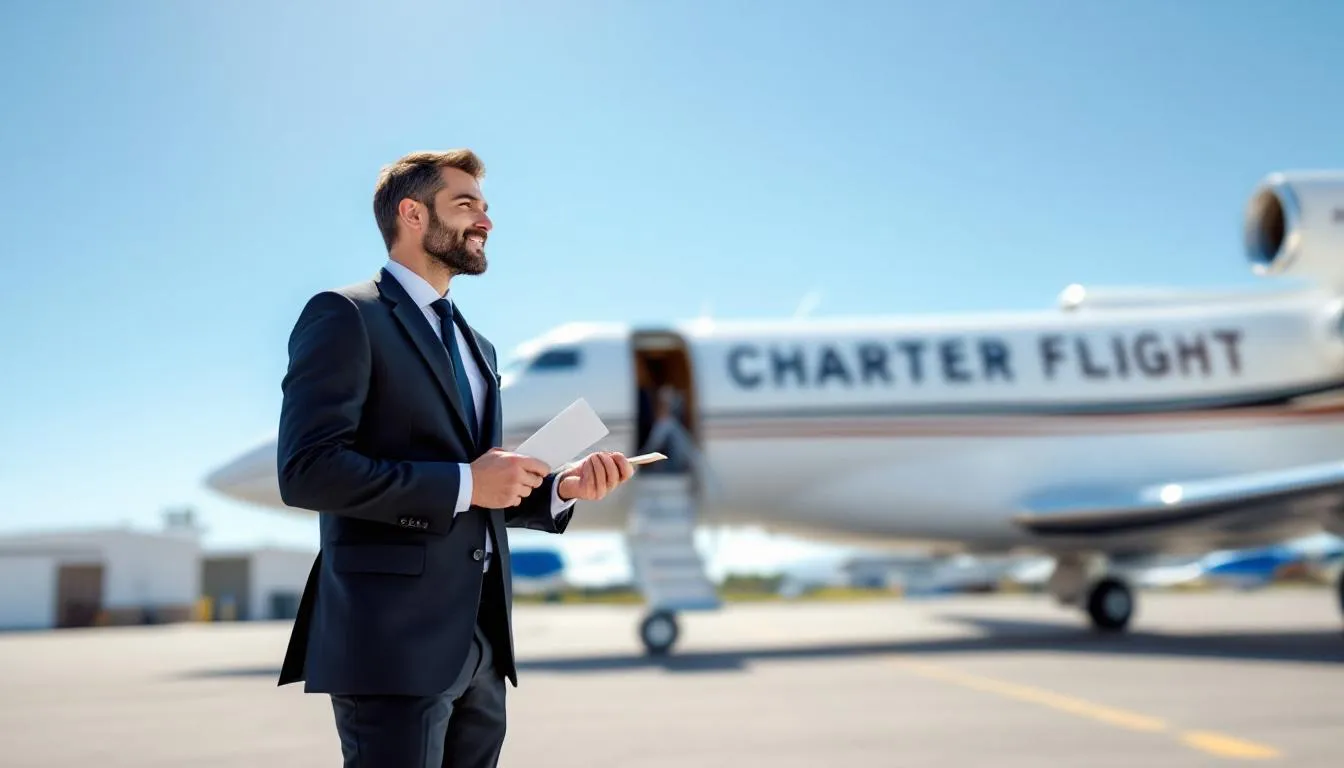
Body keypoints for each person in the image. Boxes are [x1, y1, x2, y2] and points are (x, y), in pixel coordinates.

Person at [274, 149, 635, 768]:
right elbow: (308, 470)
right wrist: (469, 482)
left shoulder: (478, 344)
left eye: (486, 207)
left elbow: (479, 491)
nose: (485, 221)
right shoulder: (346, 315)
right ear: (411, 214)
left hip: (480, 640)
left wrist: (559, 489)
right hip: (392, 640)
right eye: (466, 204)